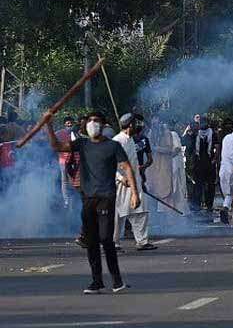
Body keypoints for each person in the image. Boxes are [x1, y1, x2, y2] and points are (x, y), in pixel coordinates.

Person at [46, 111, 140, 294]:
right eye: (89, 120)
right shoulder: (82, 144)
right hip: (88, 198)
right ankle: (96, 281)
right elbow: (57, 146)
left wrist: (135, 193)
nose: (92, 123)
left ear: (104, 125)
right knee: (91, 241)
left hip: (106, 197)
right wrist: (48, 125)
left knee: (106, 239)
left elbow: (126, 167)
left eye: (96, 120)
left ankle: (117, 280)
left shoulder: (113, 146)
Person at [113, 114, 157, 251]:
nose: (140, 125)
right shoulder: (118, 141)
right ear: (130, 125)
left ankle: (142, 242)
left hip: (134, 182)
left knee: (140, 211)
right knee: (117, 214)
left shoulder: (130, 139)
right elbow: (110, 164)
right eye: (136, 122)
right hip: (120, 183)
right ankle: (113, 243)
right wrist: (121, 177)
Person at [193, 118, 215, 211]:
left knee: (210, 185)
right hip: (198, 163)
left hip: (210, 163)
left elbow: (217, 147)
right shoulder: (195, 134)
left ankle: (209, 204)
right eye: (202, 123)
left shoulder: (213, 134)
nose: (204, 125)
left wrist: (215, 159)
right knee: (198, 185)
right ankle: (197, 205)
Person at [56, 117, 76, 208]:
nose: (69, 124)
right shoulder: (59, 133)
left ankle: (73, 199)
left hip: (74, 160)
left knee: (73, 180)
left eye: (71, 123)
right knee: (64, 181)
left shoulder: (75, 133)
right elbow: (54, 143)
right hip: (63, 160)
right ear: (64, 124)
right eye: (68, 123)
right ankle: (66, 200)